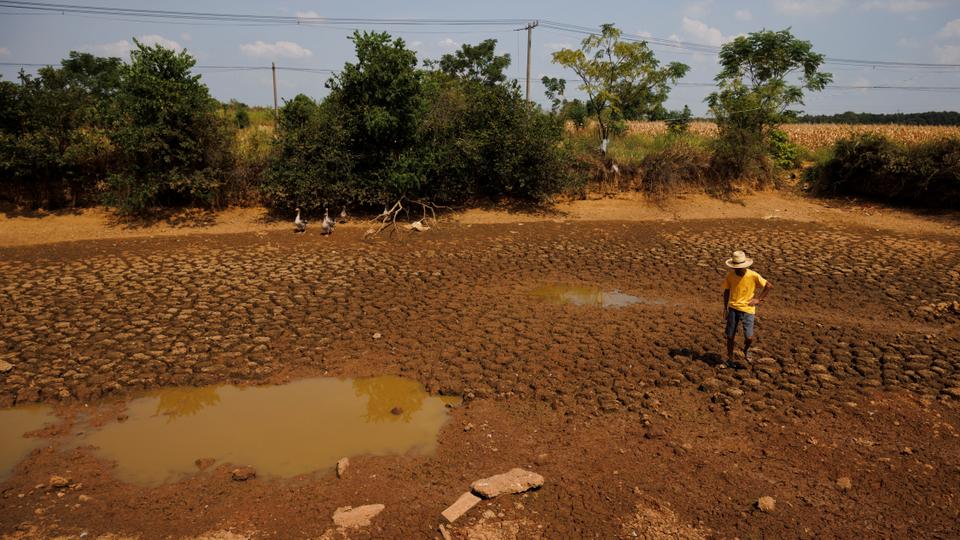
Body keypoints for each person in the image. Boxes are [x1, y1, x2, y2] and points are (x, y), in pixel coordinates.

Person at [722, 250, 773, 367]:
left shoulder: (753, 275)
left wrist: (758, 299)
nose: (737, 269)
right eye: (736, 267)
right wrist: (725, 308)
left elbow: (769, 286)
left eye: (739, 267)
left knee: (749, 337)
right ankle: (730, 359)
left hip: (748, 309)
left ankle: (746, 350)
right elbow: (726, 291)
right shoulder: (730, 276)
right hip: (733, 308)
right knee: (730, 336)